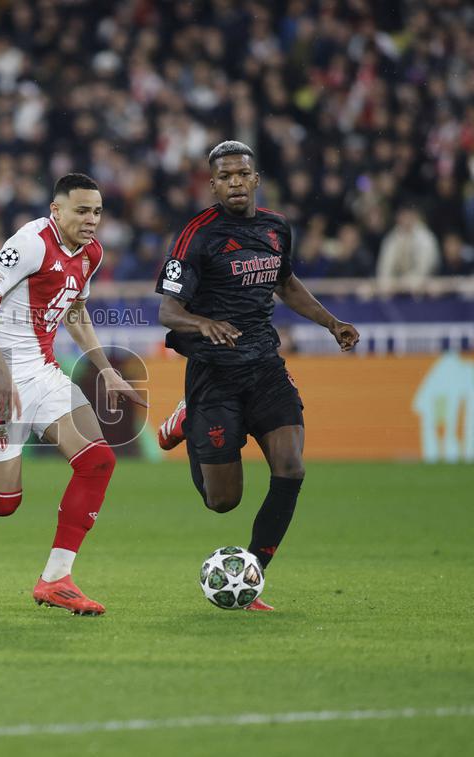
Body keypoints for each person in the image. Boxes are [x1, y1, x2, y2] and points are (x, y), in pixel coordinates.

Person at [0, 173, 144, 616]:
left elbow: (73, 310)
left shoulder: (91, 253)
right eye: (81, 210)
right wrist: (1, 372)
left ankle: (56, 579)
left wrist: (107, 370)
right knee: (4, 501)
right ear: (56, 211)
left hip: (43, 372)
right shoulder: (33, 242)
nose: (91, 220)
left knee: (97, 460)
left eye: (97, 211)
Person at [155, 141, 359, 611]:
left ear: (255, 178)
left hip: (265, 366)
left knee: (291, 467)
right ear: (213, 184)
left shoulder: (275, 228)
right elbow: (169, 309)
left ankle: (251, 577)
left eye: (241, 175)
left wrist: (331, 323)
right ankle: (189, 420)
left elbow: (286, 284)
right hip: (214, 374)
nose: (234, 183)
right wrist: (201, 322)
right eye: (224, 176)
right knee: (222, 501)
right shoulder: (196, 235)